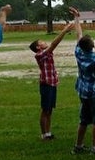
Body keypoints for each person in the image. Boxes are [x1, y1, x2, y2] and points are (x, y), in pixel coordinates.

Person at [29, 10, 77, 141]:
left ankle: (48, 133)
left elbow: (52, 46)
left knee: (50, 110)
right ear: (38, 48)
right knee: (45, 110)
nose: (44, 42)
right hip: (46, 85)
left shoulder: (45, 53)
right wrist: (64, 31)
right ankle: (43, 134)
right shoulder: (39, 55)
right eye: (41, 42)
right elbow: (54, 44)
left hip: (52, 83)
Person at [71, 8, 95, 154]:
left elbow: (78, 34)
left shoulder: (78, 52)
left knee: (83, 120)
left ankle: (78, 146)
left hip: (83, 91)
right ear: (92, 45)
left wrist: (76, 18)